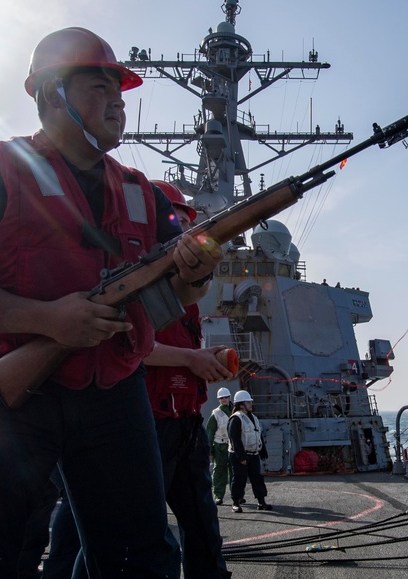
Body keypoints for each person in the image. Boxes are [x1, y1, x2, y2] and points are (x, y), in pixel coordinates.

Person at [0, 26, 222, 577]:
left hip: (113, 392)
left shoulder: (145, 194)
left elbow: (178, 293)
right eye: (100, 89)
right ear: (52, 94)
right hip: (5, 395)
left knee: (140, 558)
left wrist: (198, 274)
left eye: (120, 94)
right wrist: (47, 319)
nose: (118, 106)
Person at [143, 180, 233, 579]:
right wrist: (190, 360)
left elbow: (177, 344)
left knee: (202, 527)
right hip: (147, 424)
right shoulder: (133, 281)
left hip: (186, 425)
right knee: (136, 533)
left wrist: (202, 358)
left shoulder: (183, 292)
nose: (180, 225)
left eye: (184, 220)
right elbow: (127, 345)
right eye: (173, 217)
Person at [227, 390, 272, 513]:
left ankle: (261, 501)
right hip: (239, 455)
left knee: (257, 478)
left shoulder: (254, 418)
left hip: (253, 454)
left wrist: (263, 452)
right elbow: (234, 439)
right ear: (241, 404)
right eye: (248, 402)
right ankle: (236, 502)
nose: (251, 404)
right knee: (239, 478)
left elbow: (259, 435)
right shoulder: (235, 419)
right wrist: (241, 457)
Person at [206, 388, 234, 505]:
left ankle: (236, 495)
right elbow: (210, 433)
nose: (224, 399)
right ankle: (218, 495)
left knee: (234, 471)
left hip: (233, 445)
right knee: (219, 471)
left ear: (229, 397)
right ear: (219, 399)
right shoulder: (216, 414)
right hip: (220, 446)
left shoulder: (236, 411)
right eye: (221, 398)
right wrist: (210, 451)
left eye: (225, 397)